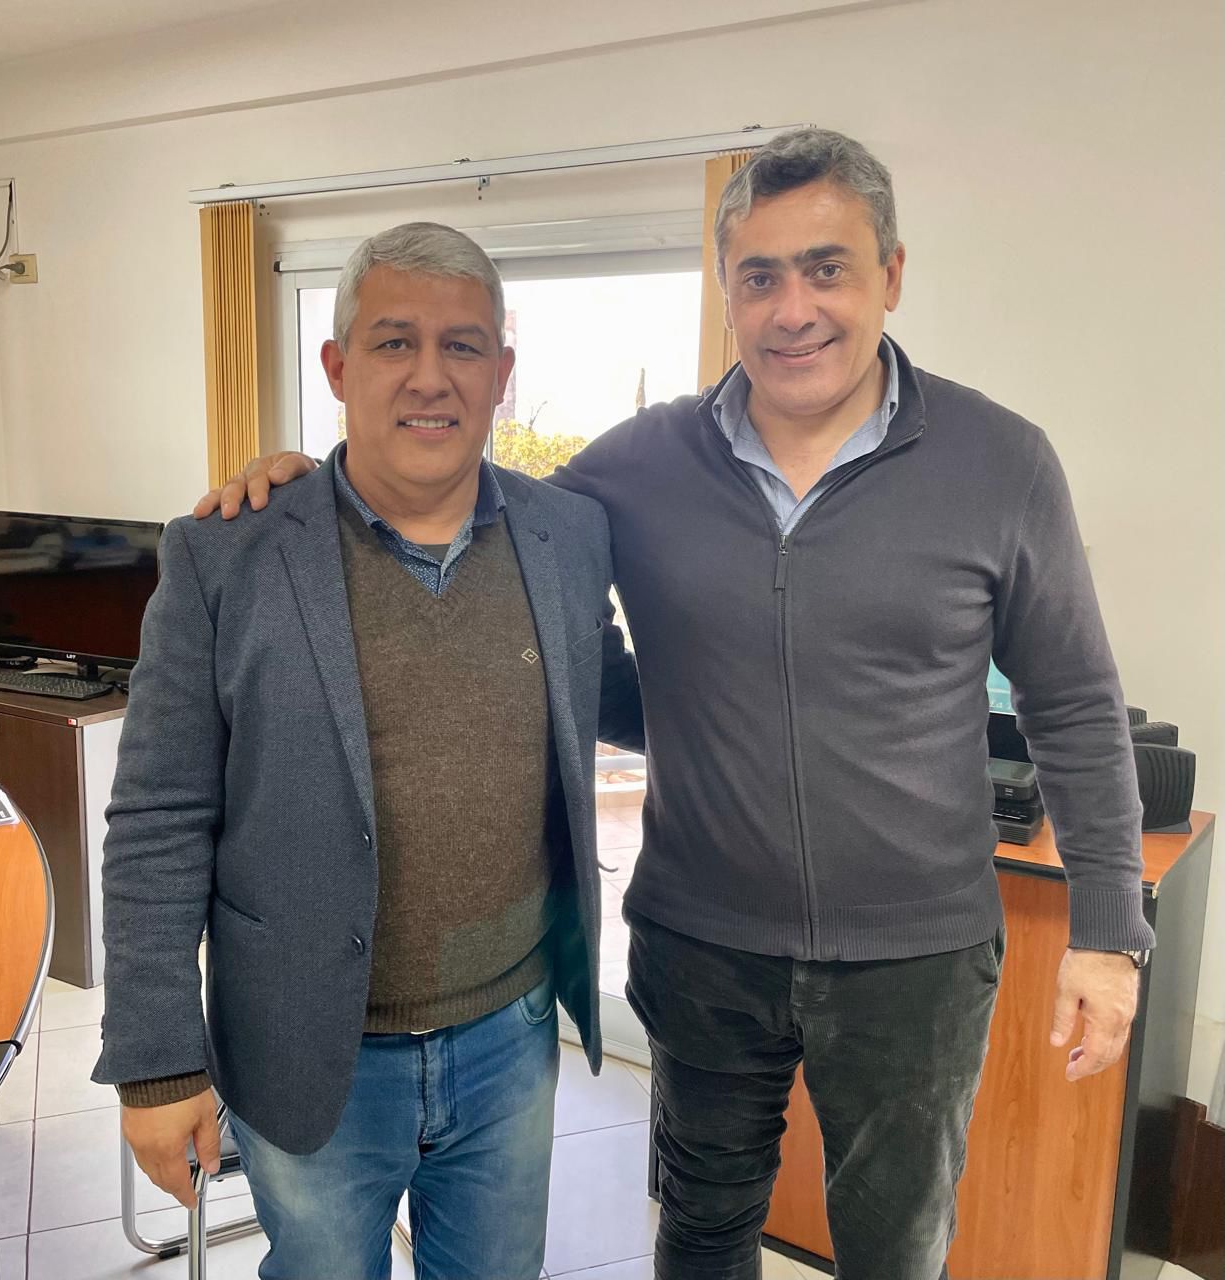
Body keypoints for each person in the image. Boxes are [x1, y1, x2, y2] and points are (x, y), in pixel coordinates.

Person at [204, 128, 1154, 1280]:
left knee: (896, 1247)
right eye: (758, 276)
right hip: (702, 945)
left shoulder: (999, 461)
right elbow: (464, 524)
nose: (791, 309)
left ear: (889, 275)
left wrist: (1105, 929)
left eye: (825, 268)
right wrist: (306, 486)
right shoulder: (638, 464)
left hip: (914, 959)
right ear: (726, 291)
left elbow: (1073, 701)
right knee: (699, 1233)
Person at [94, 221, 641, 1280]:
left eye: (462, 345)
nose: (429, 376)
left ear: (501, 374)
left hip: (511, 1036)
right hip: (309, 1049)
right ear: (338, 367)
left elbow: (616, 696)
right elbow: (158, 817)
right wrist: (156, 1061)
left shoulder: (568, 535)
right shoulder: (227, 552)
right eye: (394, 342)